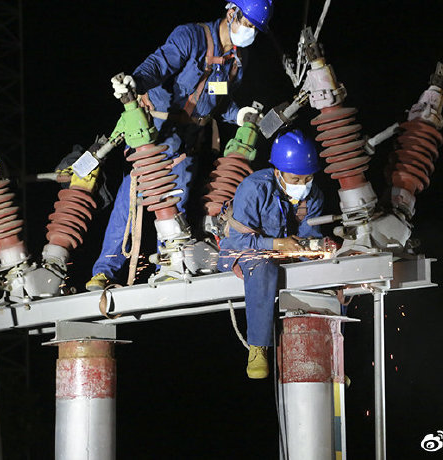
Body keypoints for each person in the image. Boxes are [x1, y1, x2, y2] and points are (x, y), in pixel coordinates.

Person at [87, 0, 274, 290]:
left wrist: (238, 114)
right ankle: (105, 273)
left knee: (178, 206)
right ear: (231, 13)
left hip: (188, 142)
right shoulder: (192, 37)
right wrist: (135, 81)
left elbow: (217, 95)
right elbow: (159, 65)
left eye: (255, 29)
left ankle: (169, 268)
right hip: (157, 134)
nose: (250, 32)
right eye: (247, 24)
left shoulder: (238, 61)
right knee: (131, 201)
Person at [217, 130, 324, 379]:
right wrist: (277, 244)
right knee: (262, 266)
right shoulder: (254, 189)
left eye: (308, 178)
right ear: (278, 172)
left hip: (285, 252)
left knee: (323, 269)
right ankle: (258, 347)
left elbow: (310, 235)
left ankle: (327, 353)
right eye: (296, 179)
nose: (303, 185)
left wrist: (313, 250)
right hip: (244, 251)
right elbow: (240, 240)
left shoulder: (314, 195)